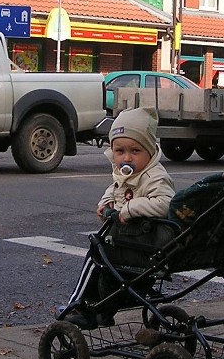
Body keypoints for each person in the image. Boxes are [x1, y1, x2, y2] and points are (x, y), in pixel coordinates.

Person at [63, 106, 175, 329]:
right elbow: (116, 189)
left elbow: (166, 203)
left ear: (151, 152)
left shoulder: (154, 176)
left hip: (145, 244)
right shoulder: (131, 173)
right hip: (135, 241)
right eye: (120, 151)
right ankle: (102, 309)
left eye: (135, 151)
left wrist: (131, 209)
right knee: (110, 267)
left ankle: (78, 303)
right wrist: (105, 203)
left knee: (97, 254)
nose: (126, 158)